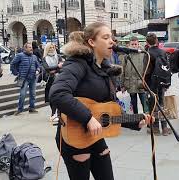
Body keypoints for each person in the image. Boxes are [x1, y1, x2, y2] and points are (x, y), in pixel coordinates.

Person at [49, 22, 153, 180]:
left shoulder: (105, 69)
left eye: (111, 37)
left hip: (95, 135)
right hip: (73, 135)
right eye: (106, 37)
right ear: (92, 42)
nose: (112, 41)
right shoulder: (77, 63)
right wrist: (88, 118)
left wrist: (134, 121)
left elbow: (108, 110)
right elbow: (58, 93)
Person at [145, 32, 172, 136]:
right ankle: (165, 128)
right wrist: (167, 83)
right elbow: (167, 68)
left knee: (153, 106)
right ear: (156, 40)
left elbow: (146, 71)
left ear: (147, 42)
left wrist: (145, 85)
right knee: (162, 104)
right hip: (162, 82)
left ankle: (155, 128)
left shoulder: (147, 53)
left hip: (152, 84)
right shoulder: (162, 52)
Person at [10, 42, 41, 115]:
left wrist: (38, 70)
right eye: (29, 47)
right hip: (24, 78)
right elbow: (12, 64)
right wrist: (16, 73)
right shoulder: (20, 55)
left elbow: (39, 66)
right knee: (23, 94)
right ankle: (20, 109)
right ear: (25, 48)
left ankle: (32, 108)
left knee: (33, 94)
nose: (31, 49)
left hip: (33, 78)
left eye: (31, 47)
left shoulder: (34, 57)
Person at [121, 36, 149, 114]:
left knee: (145, 104)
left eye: (135, 44)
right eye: (132, 44)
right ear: (129, 45)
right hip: (130, 83)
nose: (134, 46)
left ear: (138, 44)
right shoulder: (126, 55)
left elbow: (147, 68)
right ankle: (136, 120)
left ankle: (148, 120)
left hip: (141, 82)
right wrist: (122, 85)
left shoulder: (143, 53)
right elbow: (122, 70)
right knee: (133, 104)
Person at [41, 42, 63, 121]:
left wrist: (54, 69)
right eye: (50, 47)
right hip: (49, 80)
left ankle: (56, 113)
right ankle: (53, 113)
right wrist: (57, 66)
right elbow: (47, 68)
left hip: (58, 79)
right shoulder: (44, 58)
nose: (52, 49)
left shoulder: (58, 56)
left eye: (53, 47)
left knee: (57, 96)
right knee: (51, 97)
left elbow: (62, 67)